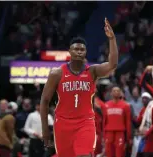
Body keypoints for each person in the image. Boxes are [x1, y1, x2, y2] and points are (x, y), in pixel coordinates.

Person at [40, 17, 118, 157]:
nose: (79, 51)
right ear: (69, 51)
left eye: (82, 49)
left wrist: (112, 39)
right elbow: (44, 101)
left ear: (86, 52)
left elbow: (112, 64)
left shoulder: (92, 71)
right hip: (62, 124)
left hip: (85, 122)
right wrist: (45, 130)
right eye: (76, 49)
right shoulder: (57, 73)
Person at [103, 85, 131, 157]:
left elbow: (128, 122)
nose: (116, 92)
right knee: (109, 154)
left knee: (119, 154)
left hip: (120, 133)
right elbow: (104, 121)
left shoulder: (125, 105)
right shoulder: (106, 105)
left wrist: (128, 138)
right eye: (114, 91)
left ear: (120, 93)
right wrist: (103, 136)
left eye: (118, 91)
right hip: (109, 133)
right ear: (111, 93)